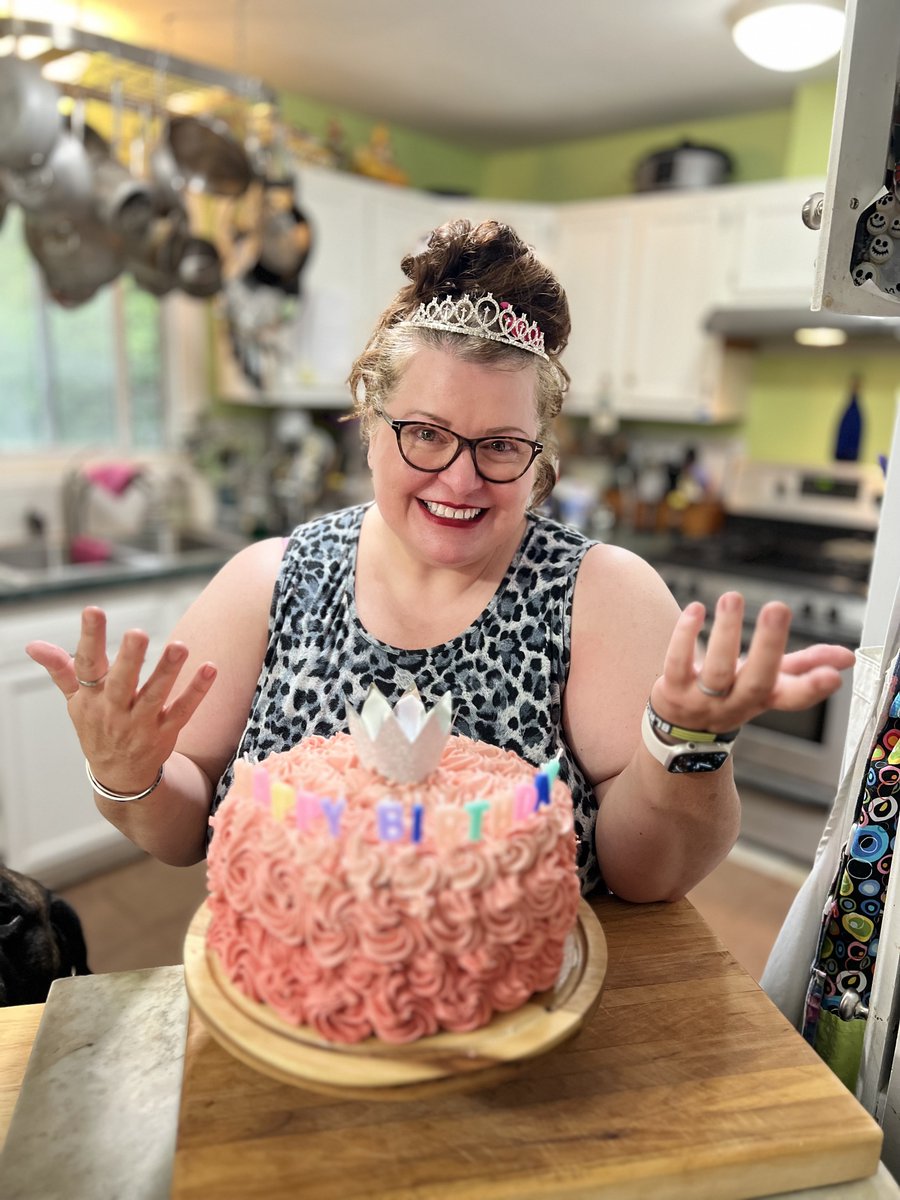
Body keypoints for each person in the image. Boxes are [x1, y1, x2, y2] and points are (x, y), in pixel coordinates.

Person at [26, 219, 854, 902]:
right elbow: (179, 837)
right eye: (424, 433)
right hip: (282, 1021)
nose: (459, 479)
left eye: (499, 445)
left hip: (524, 1030)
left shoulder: (603, 596)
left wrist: (687, 746)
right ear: (368, 423)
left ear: (540, 455)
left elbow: (647, 877)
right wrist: (126, 775)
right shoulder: (266, 583)